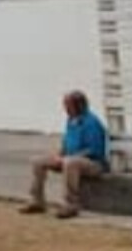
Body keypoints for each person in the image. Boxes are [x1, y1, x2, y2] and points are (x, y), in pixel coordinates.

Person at [23, 90, 109, 219]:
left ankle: (71, 205)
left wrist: (70, 157)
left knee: (69, 163)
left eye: (68, 106)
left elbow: (94, 150)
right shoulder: (71, 120)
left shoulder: (91, 122)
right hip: (70, 158)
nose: (66, 109)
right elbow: (66, 143)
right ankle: (37, 201)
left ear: (79, 105)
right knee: (38, 161)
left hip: (93, 163)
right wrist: (59, 155)